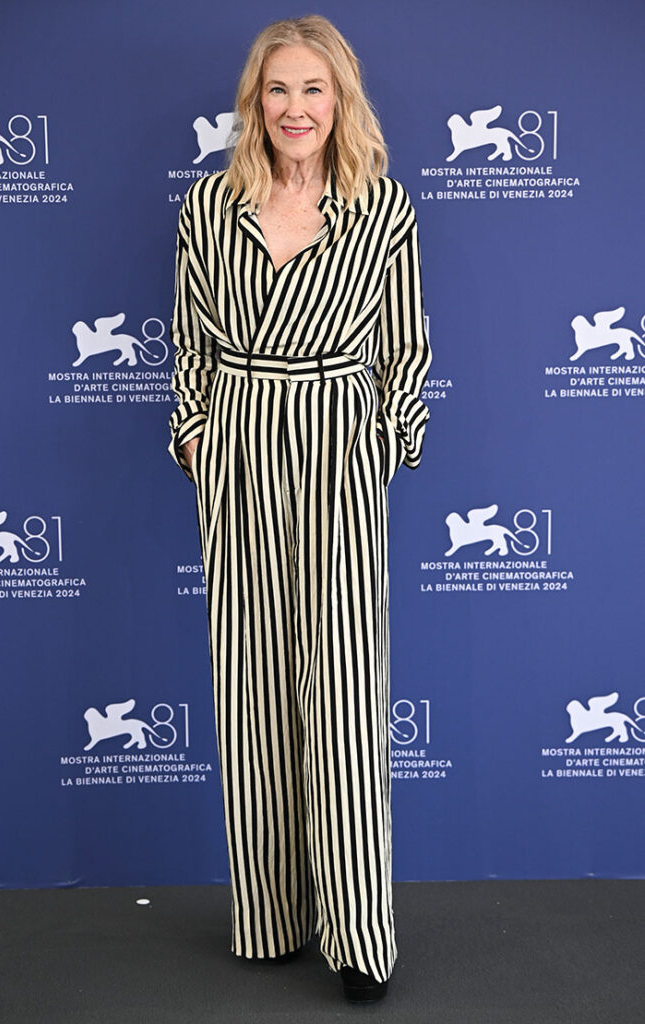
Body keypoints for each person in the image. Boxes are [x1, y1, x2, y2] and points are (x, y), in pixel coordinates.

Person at [168, 14, 432, 1005]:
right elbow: (189, 340)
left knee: (342, 681)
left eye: (312, 90)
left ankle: (358, 931)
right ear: (254, 101)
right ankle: (269, 914)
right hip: (236, 437)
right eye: (277, 90)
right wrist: (194, 429)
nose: (294, 109)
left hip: (335, 436)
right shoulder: (208, 206)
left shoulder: (381, 209)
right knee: (247, 681)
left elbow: (403, 344)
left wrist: (385, 436)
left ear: (340, 101)